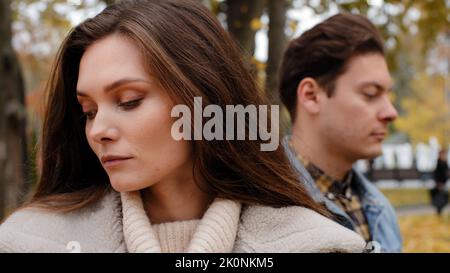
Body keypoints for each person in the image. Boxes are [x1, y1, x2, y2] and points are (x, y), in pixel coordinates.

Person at [0, 0, 366, 253]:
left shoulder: (318, 244)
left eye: (129, 101)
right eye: (89, 110)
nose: (98, 131)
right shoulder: (29, 241)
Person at [278, 13, 402, 252]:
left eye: (387, 94)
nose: (390, 112)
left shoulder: (380, 209)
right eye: (370, 94)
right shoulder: (260, 206)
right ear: (311, 96)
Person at [431, 149, 449, 215]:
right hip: (440, 183)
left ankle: (440, 210)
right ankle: (439, 210)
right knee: (440, 197)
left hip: (443, 183)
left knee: (444, 197)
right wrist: (438, 183)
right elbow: (437, 174)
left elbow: (446, 172)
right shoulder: (439, 162)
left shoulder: (444, 162)